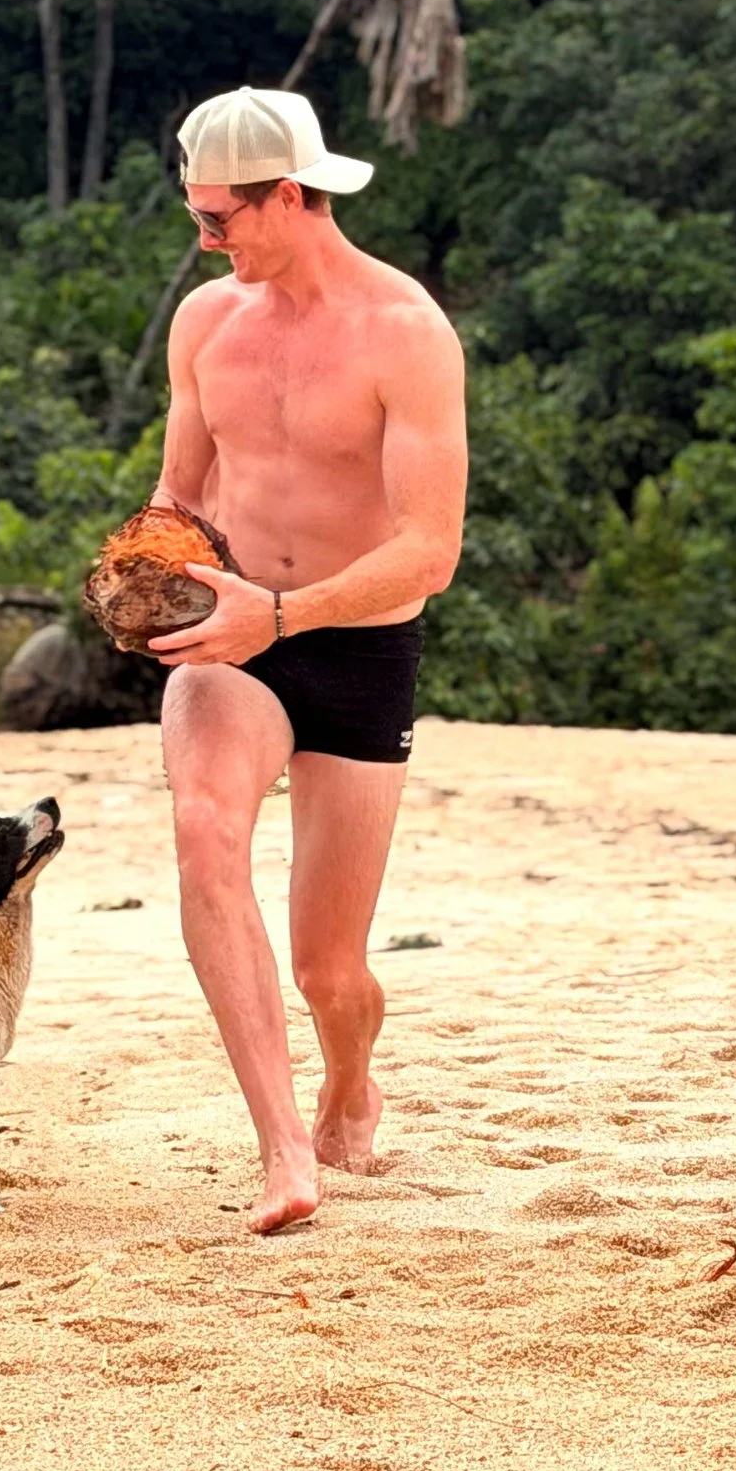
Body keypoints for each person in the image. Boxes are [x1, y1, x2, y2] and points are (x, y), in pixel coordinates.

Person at [146, 87, 467, 1233]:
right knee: (202, 833)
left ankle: (349, 1083)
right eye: (195, 215)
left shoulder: (405, 332)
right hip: (226, 637)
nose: (204, 240)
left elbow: (429, 552)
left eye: (219, 218)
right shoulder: (206, 324)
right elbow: (180, 492)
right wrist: (147, 572)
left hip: (354, 642)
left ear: (288, 196)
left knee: (329, 970)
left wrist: (279, 618)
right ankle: (284, 1150)